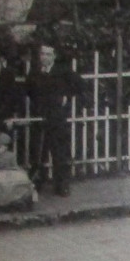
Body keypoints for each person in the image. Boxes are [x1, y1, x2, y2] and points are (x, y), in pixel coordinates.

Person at [23, 43, 85, 196]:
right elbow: (29, 90)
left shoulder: (62, 71)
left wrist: (66, 96)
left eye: (48, 54)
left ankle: (62, 185)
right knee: (38, 152)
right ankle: (37, 182)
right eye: (42, 54)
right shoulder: (35, 72)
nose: (44, 57)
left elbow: (81, 84)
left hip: (57, 117)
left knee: (59, 153)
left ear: (54, 56)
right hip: (40, 116)